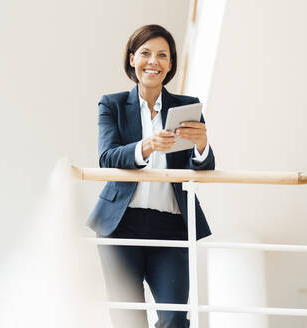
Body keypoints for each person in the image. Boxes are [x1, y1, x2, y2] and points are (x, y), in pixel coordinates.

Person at [87, 24, 215, 328]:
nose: (153, 61)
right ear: (132, 59)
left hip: (170, 226)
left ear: (170, 64)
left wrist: (201, 144)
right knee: (128, 318)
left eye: (162, 55)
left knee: (174, 318)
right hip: (121, 225)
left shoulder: (186, 106)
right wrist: (145, 147)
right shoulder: (113, 104)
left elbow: (204, 165)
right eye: (145, 53)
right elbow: (107, 157)